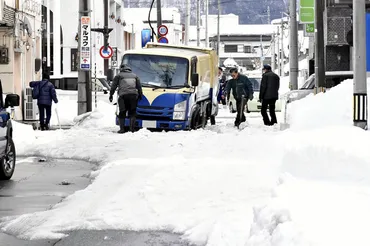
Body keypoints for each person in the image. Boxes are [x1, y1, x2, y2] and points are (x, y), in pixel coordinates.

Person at [109, 64, 143, 134]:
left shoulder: (119, 75)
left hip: (123, 96)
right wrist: (140, 95)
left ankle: (122, 129)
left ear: (121, 69)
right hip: (133, 95)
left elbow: (113, 86)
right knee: (132, 112)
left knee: (122, 111)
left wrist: (111, 95)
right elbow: (139, 86)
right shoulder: (135, 76)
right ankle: (131, 129)